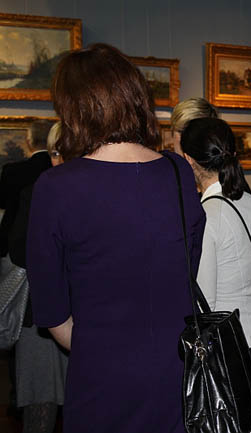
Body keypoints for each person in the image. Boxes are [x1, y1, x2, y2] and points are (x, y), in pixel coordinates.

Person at [26, 43, 205, 433]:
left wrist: (103, 345)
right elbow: (189, 266)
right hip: (177, 369)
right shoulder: (177, 171)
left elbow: (52, 313)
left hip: (101, 375)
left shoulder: (55, 188)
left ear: (73, 110)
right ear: (135, 97)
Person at [180, 117, 251, 396]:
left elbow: (205, 302)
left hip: (231, 348)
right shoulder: (249, 201)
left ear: (189, 160)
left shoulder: (206, 215)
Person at [7, 122, 65, 433]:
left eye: (66, 153)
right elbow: (18, 250)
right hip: (40, 315)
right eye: (54, 154)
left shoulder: (95, 196)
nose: (59, 161)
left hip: (86, 316)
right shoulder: (35, 193)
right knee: (40, 406)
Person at [0, 120, 53, 257]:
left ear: (29, 141)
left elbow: (3, 202)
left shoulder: (12, 171)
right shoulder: (59, 170)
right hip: (49, 240)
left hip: (13, 239)